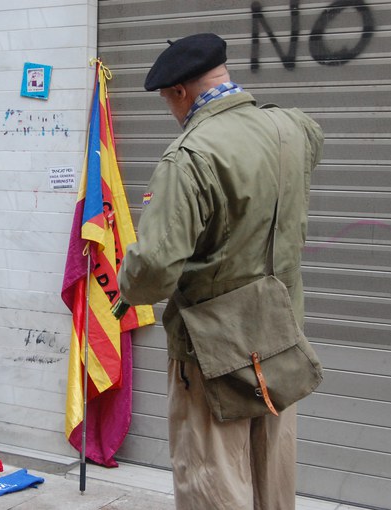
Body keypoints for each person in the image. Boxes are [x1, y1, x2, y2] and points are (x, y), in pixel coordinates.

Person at [116, 34, 324, 509]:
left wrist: (127, 281)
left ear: (180, 92)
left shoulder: (188, 158)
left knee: (213, 485)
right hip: (280, 336)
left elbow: (151, 272)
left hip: (211, 352)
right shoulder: (295, 128)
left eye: (168, 100)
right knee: (273, 481)